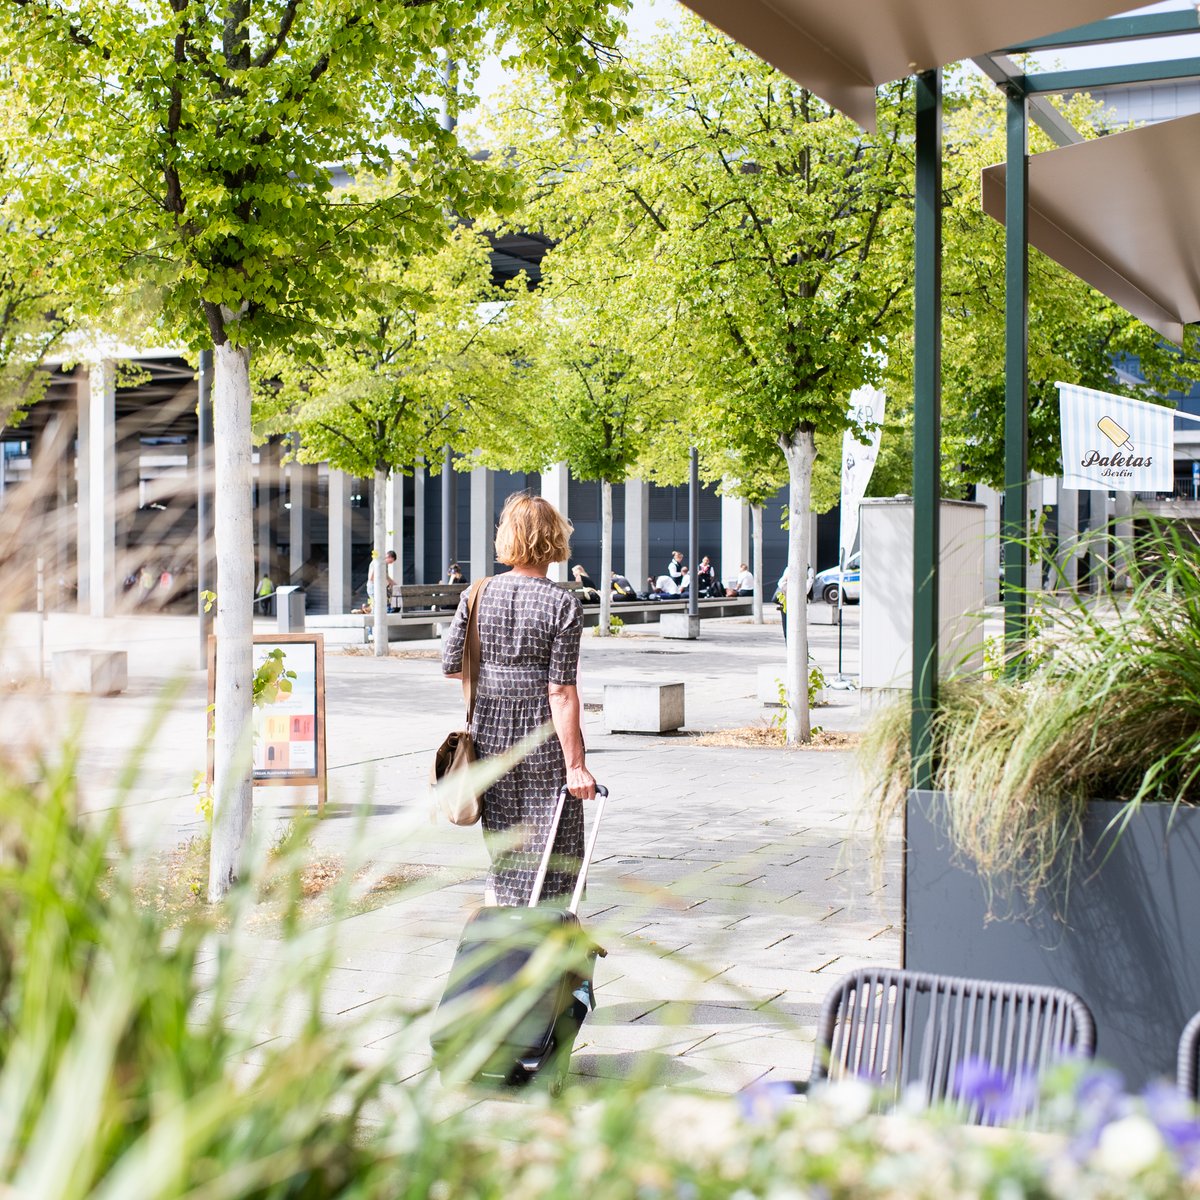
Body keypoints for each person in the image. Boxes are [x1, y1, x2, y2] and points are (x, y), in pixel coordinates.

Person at [442, 493, 596, 907]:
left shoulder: (476, 594)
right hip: (542, 734)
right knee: (554, 838)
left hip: (490, 729)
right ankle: (549, 932)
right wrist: (576, 766)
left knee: (506, 840)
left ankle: (502, 922)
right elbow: (561, 691)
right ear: (553, 539)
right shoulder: (563, 603)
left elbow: (451, 665)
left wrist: (495, 674)